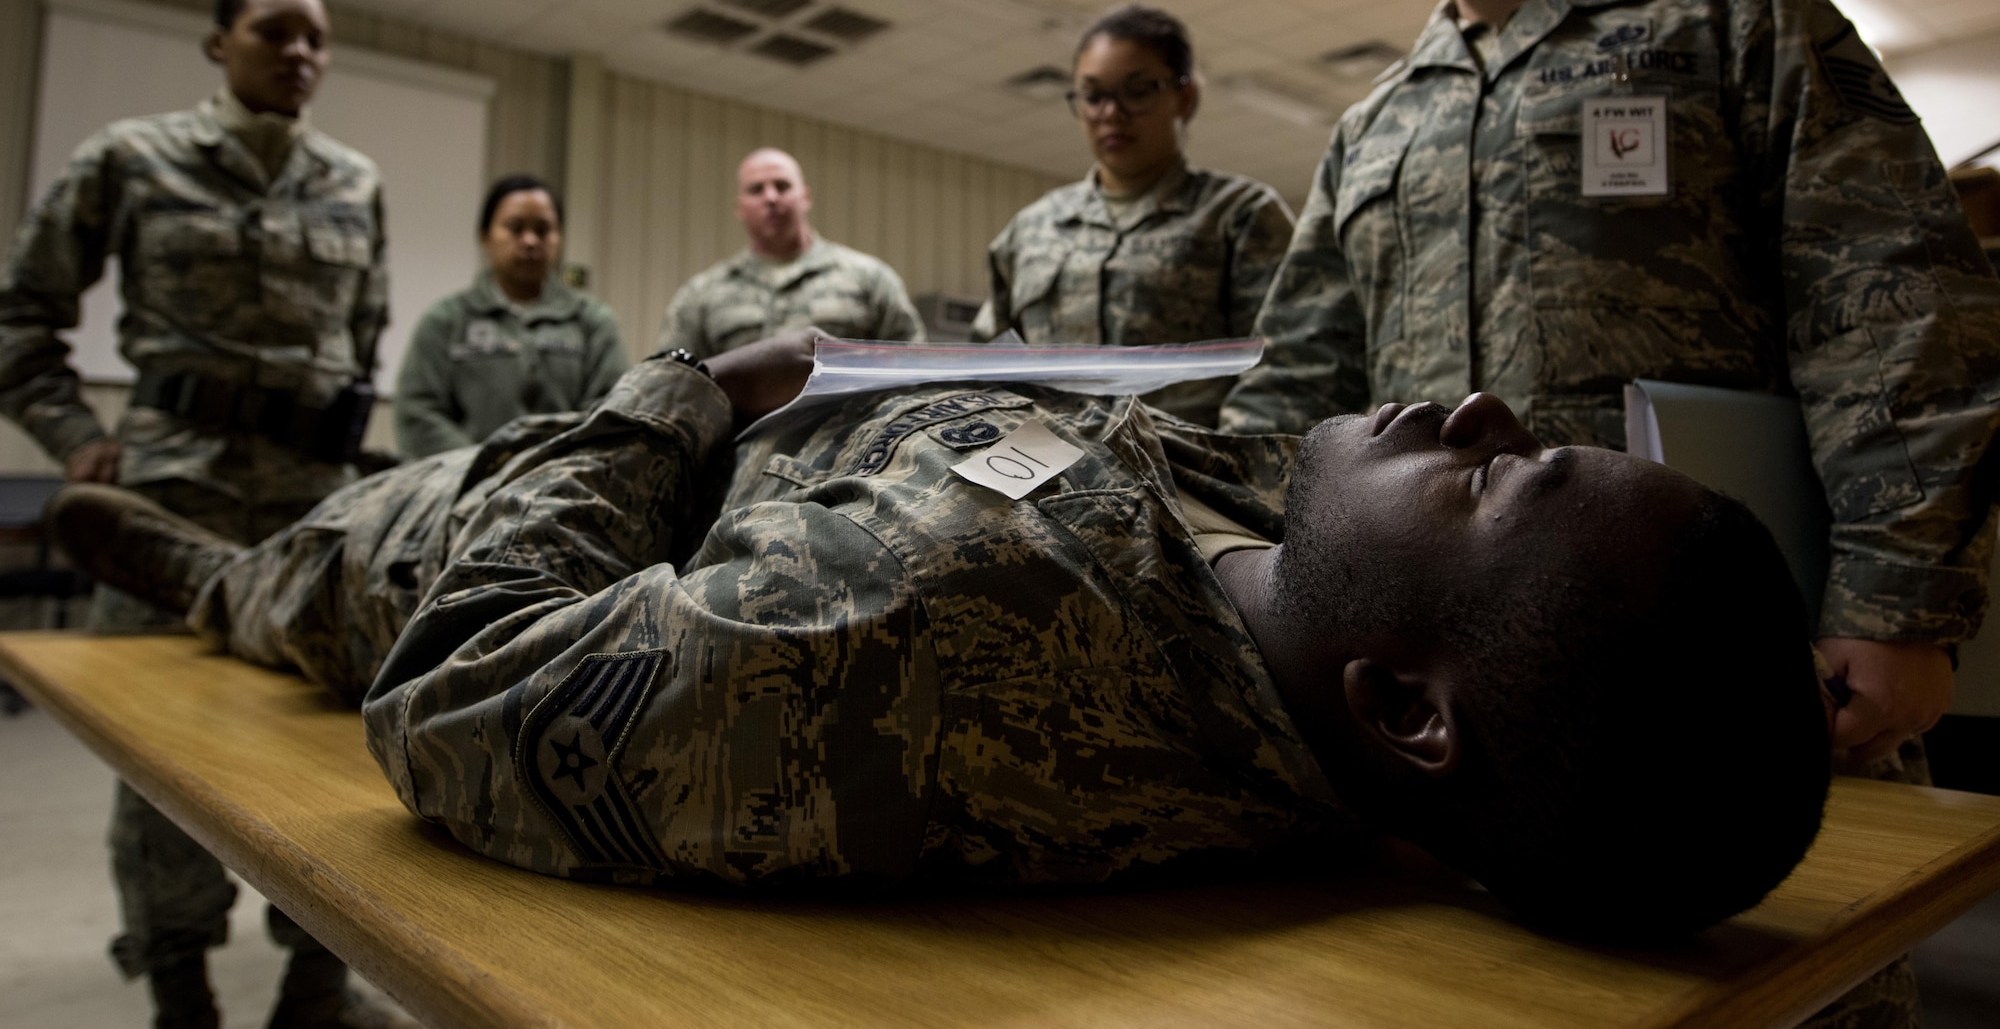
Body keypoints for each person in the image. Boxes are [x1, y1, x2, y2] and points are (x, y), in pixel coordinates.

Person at [55, 335, 1831, 945]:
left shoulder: (912, 651)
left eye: (1501, 481)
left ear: (1404, 710)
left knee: (283, 578)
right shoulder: (1303, 611)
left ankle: (194, 569)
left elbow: (458, 688)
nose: (1481, 406)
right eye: (1539, 430)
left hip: (480, 527)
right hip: (796, 454)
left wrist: (666, 403)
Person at [1215, 0, 2000, 1027]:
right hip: (1465, 696)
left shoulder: (1722, 14)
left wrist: (1903, 595)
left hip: (1736, 648)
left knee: (1793, 987)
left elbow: (1898, 293)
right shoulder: (1380, 124)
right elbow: (1299, 380)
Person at [0, 0, 405, 1029]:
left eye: (318, 38)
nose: (301, 54)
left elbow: (363, 342)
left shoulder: (355, 181)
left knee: (323, 752)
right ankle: (179, 988)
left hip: (310, 521)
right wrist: (78, 440)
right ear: (217, 44)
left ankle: (314, 980)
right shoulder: (132, 158)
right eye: (276, 32)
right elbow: (19, 324)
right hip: (163, 510)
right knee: (162, 756)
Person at [971, 6, 1296, 427]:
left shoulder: (1239, 216)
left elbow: (1287, 368)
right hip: (1040, 479)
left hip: (1186, 476)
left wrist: (1227, 476)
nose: (1111, 113)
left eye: (1137, 91)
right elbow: (987, 369)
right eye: (1093, 96)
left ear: (1185, 97)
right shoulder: (1030, 231)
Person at [394, 175, 627, 459]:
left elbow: (611, 409)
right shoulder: (445, 321)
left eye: (543, 230)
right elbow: (417, 412)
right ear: (485, 236)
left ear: (559, 238)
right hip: (465, 489)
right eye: (515, 228)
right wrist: (484, 466)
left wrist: (550, 470)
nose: (530, 241)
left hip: (566, 488)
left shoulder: (593, 321)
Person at [654, 147, 924, 357]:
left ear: (805, 198)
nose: (771, 197)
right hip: (742, 430)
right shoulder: (701, 296)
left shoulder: (868, 278)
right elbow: (672, 381)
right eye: (756, 189)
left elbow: (913, 366)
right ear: (740, 207)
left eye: (782, 186)